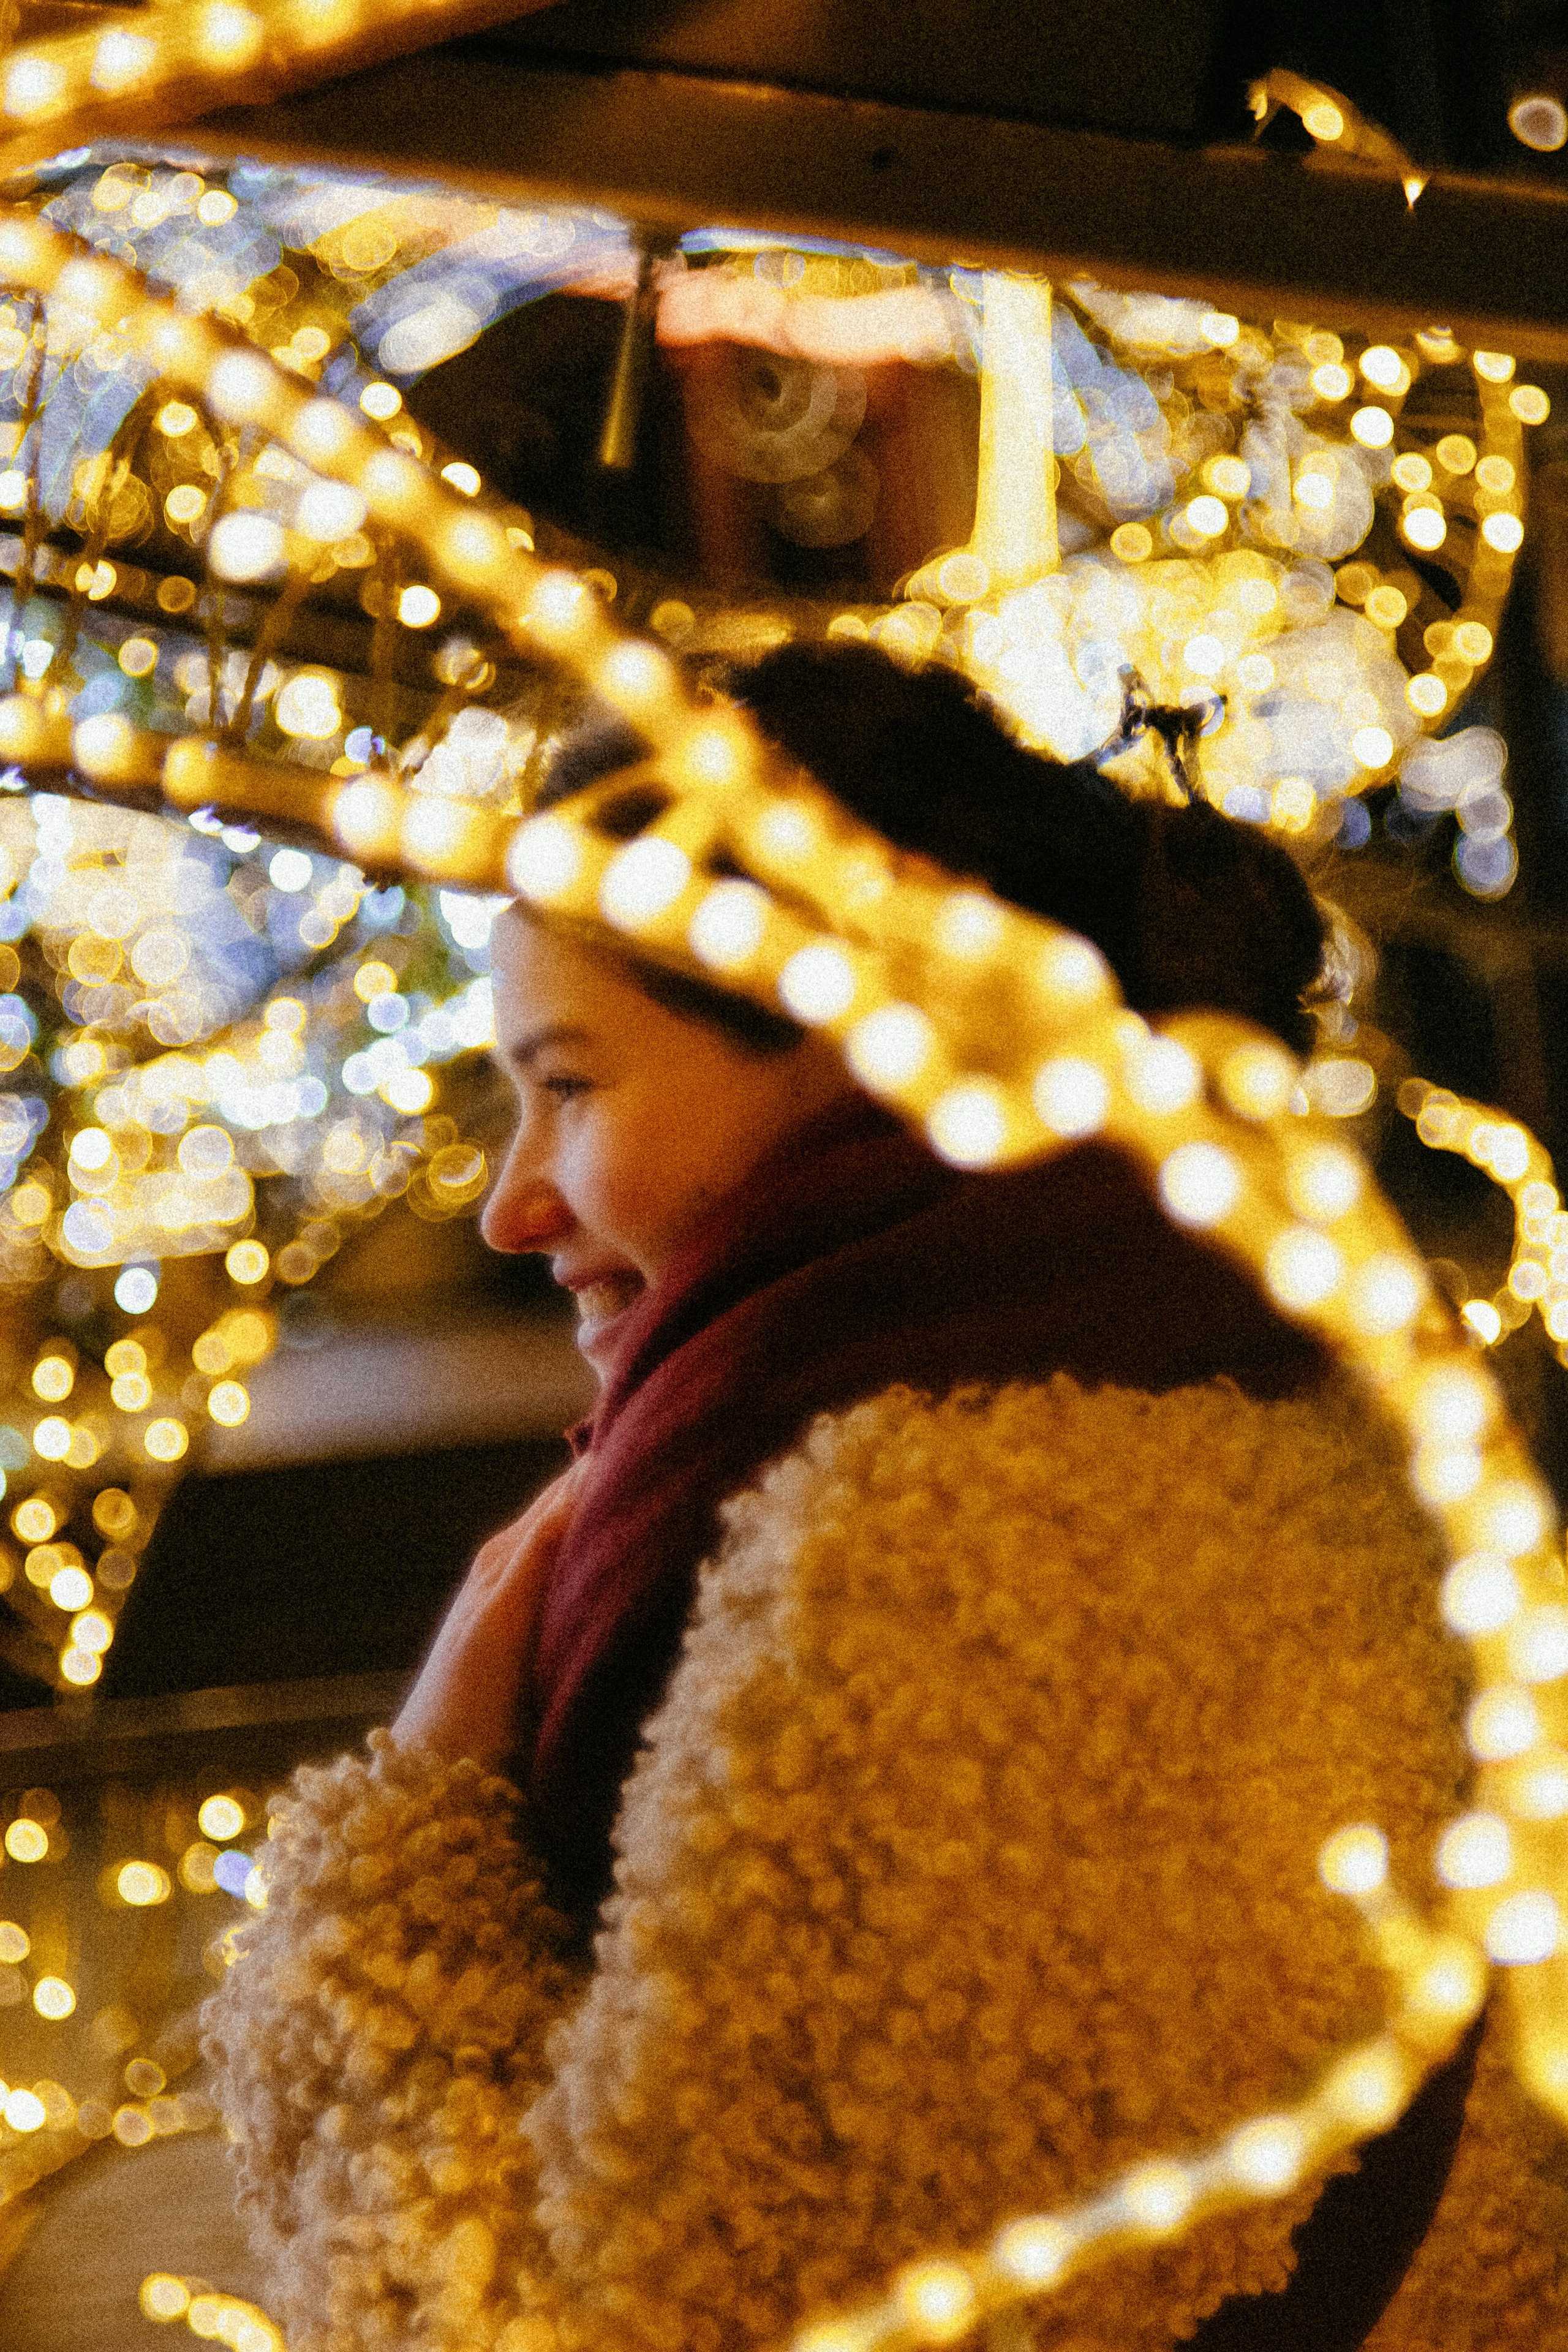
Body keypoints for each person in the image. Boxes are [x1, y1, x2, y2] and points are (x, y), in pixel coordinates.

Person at [204, 644, 1568, 2352]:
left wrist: (400, 1844)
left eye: (569, 1087)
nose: (511, 1207)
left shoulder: (915, 1571)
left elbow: (564, 2329)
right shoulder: (1253, 1369)